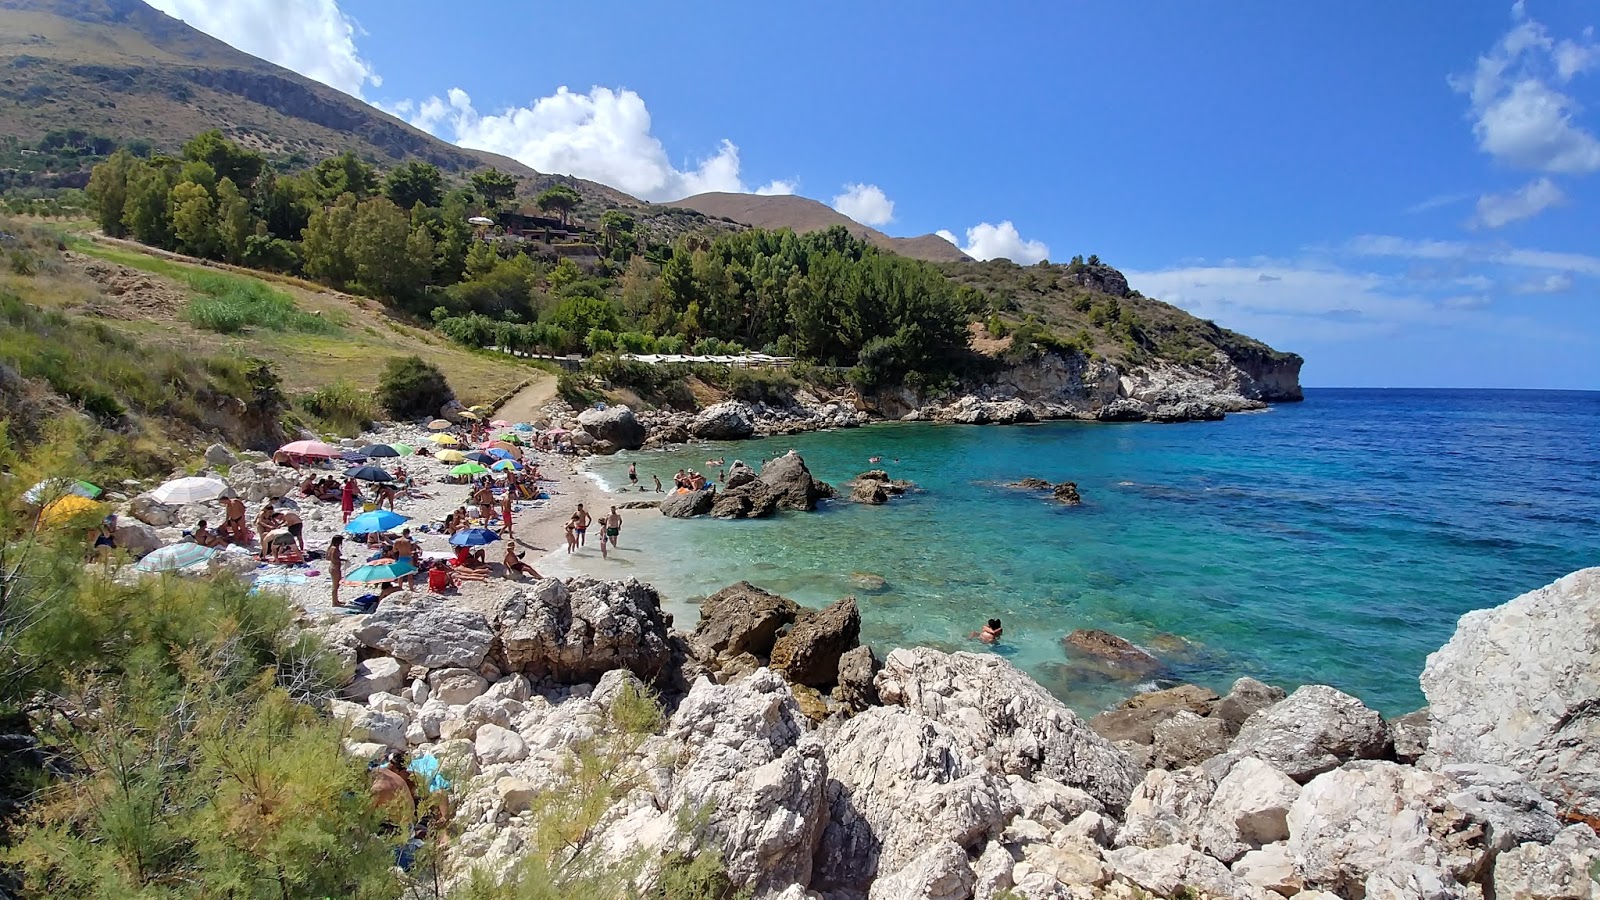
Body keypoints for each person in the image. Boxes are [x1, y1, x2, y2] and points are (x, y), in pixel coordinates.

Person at [328, 535, 346, 607]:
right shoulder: (335, 549)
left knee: (336, 585)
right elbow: (334, 559)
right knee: (335, 585)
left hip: (332, 567)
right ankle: (334, 602)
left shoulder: (330, 547)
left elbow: (328, 558)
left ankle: (336, 601)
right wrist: (342, 559)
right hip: (335, 568)